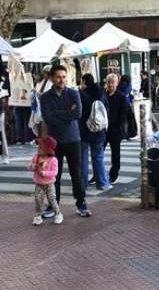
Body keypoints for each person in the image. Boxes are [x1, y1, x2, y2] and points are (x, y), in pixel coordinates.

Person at [39, 65, 91, 218]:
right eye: (58, 77)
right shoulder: (45, 97)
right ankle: (52, 205)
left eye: (64, 76)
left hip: (73, 139)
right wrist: (67, 113)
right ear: (51, 78)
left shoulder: (74, 94)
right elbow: (48, 118)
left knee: (77, 174)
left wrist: (58, 114)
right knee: (54, 175)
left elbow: (77, 113)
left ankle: (81, 203)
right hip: (54, 142)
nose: (61, 80)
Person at [79, 73, 111, 190]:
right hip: (99, 130)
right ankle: (102, 182)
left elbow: (79, 113)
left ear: (84, 82)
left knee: (83, 158)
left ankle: (83, 183)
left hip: (84, 130)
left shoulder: (81, 94)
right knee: (98, 157)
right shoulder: (101, 92)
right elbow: (106, 109)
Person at [29, 136, 63, 225]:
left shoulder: (53, 160)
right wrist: (33, 166)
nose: (38, 149)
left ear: (47, 150)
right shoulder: (36, 157)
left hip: (49, 183)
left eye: (41, 147)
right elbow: (30, 166)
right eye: (38, 147)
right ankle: (38, 216)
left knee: (52, 199)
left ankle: (58, 214)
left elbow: (55, 172)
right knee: (38, 199)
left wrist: (44, 173)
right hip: (39, 183)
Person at [105, 73, 130, 184]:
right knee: (98, 153)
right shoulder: (103, 94)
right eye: (108, 82)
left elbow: (123, 115)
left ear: (117, 83)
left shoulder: (121, 97)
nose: (110, 84)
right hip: (103, 129)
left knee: (115, 153)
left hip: (115, 129)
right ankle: (98, 174)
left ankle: (113, 174)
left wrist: (119, 128)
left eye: (112, 82)